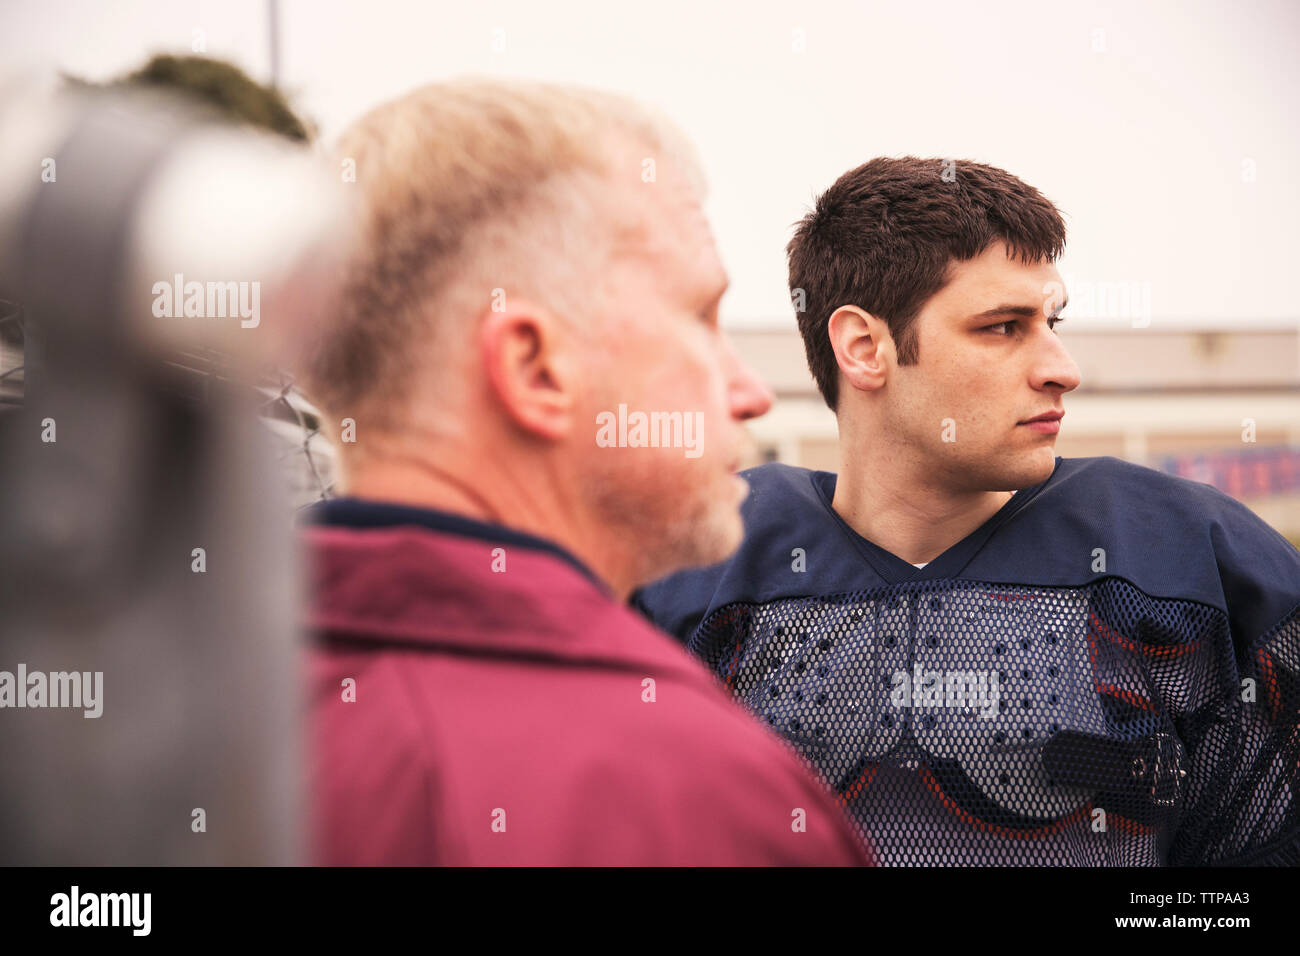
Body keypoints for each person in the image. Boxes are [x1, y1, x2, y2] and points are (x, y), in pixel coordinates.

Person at [634, 156, 1300, 866]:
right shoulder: (696, 569)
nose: (1061, 368)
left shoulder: (1187, 560)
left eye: (1051, 321)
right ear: (864, 348)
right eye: (1003, 327)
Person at [296, 80, 873, 866]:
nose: (750, 390)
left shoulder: (148, 731)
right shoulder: (707, 798)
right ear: (536, 369)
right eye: (702, 318)